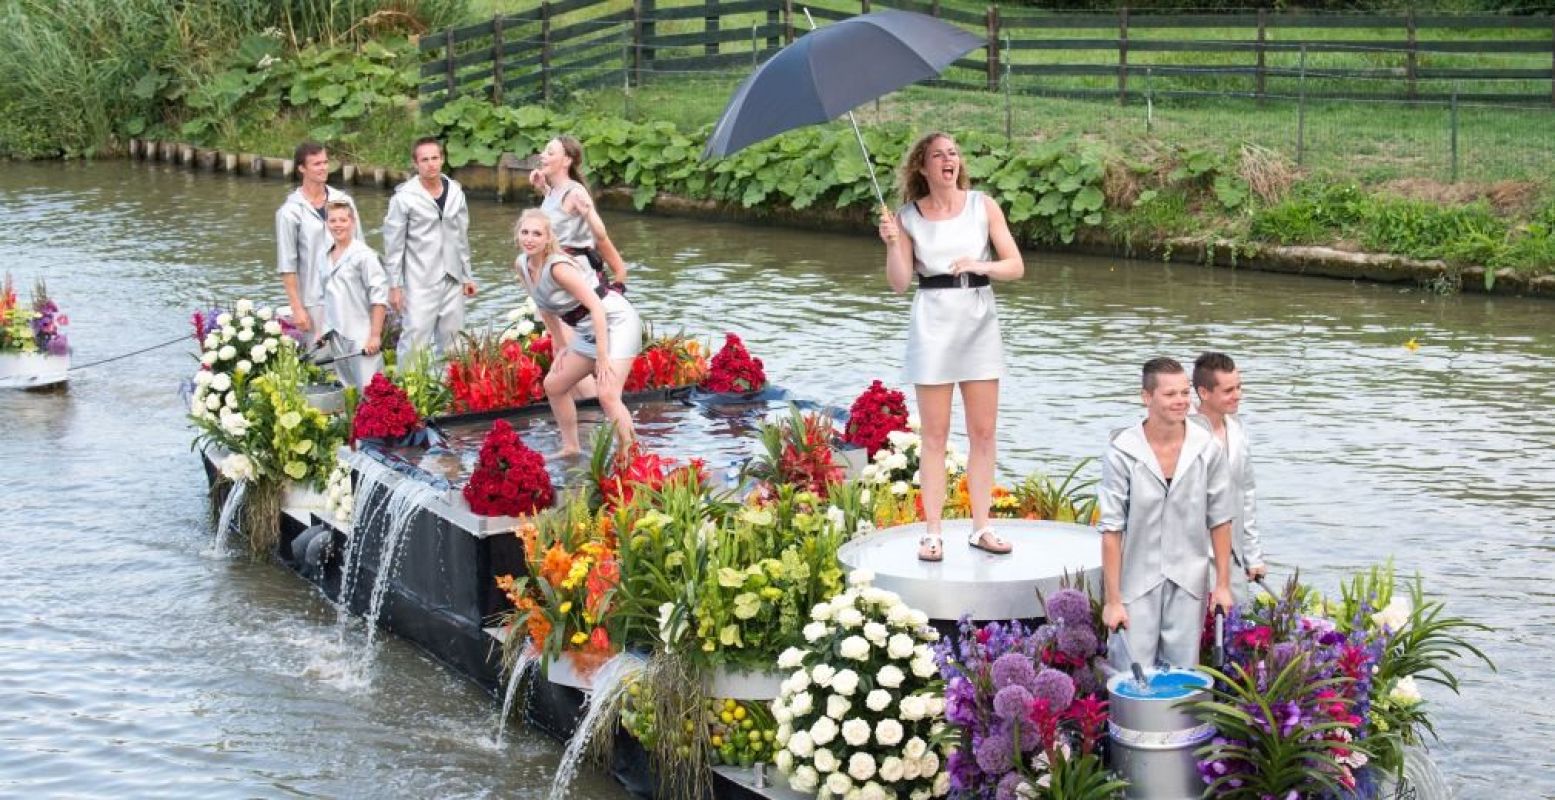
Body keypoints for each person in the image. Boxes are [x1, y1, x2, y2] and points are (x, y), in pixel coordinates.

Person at [877, 132, 1024, 562]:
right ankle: (933, 533)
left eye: (954, 153)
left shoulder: (984, 205)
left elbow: (1015, 266)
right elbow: (900, 283)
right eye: (939, 155)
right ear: (922, 167)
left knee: (983, 432)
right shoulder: (906, 217)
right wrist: (891, 244)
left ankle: (982, 527)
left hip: (978, 320)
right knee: (935, 434)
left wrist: (981, 264)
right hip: (933, 323)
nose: (949, 160)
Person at [1098, 357, 1236, 671]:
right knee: (1131, 675)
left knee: (1182, 677)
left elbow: (1221, 519)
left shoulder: (1207, 448)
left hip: (1189, 579)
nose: (1181, 402)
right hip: (1136, 580)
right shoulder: (1122, 451)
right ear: (1147, 397)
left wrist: (1223, 584)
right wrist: (1113, 600)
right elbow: (1111, 530)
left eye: (1185, 393)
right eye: (1171, 394)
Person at [513, 209, 640, 456]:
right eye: (525, 232)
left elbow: (597, 307)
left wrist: (602, 357)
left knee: (607, 393)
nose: (529, 238)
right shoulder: (523, 264)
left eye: (537, 233)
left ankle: (631, 454)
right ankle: (571, 447)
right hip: (587, 329)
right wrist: (560, 345)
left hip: (616, 321)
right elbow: (542, 304)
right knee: (554, 385)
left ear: (548, 238)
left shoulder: (559, 269)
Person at [382, 137, 476, 358]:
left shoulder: (455, 191)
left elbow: (461, 236)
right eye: (424, 160)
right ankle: (408, 388)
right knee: (415, 340)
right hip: (420, 280)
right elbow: (393, 245)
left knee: (454, 340)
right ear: (416, 164)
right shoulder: (403, 198)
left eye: (435, 158)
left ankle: (451, 388)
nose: (431, 164)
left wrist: (467, 275)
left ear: (442, 160)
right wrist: (394, 286)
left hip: (452, 277)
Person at [1192, 351, 1267, 605]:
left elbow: (1246, 494)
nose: (1238, 395)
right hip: (1193, 559)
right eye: (1228, 390)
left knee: (1240, 624)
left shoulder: (1238, 430)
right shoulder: (1183, 432)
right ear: (1204, 392)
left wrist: (1253, 556)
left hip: (1233, 556)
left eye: (1239, 387)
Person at [276, 141, 361, 346]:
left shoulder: (344, 201)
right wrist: (297, 308)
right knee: (321, 361)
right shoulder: (289, 212)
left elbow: (360, 249)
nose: (323, 168)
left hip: (349, 295)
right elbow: (287, 265)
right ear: (301, 168)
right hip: (314, 300)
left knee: (354, 358)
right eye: (316, 164)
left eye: (325, 162)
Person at [528, 136, 629, 292]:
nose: (542, 155)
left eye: (550, 153)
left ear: (567, 160)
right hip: (551, 275)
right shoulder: (553, 191)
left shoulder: (576, 193)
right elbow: (558, 216)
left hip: (573, 276)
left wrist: (589, 213)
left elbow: (601, 235)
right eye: (544, 151)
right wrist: (544, 189)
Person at [316, 201, 388, 390]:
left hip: (360, 335)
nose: (338, 225)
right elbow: (326, 297)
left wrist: (374, 336)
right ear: (327, 224)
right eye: (332, 220)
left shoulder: (365, 256)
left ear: (352, 222)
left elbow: (379, 298)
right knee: (348, 391)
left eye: (343, 220)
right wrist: (322, 330)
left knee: (370, 390)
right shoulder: (324, 256)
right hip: (336, 335)